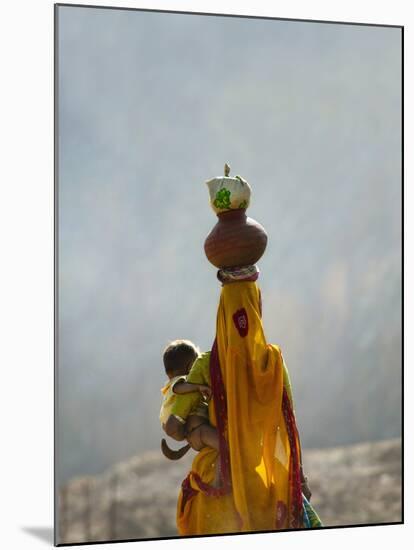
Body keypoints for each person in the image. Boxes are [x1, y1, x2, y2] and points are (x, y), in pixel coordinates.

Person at [165, 271, 322, 535]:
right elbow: (289, 424)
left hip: (215, 479)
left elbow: (175, 425)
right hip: (260, 477)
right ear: (258, 308)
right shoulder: (274, 362)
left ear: (221, 314)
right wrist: (299, 477)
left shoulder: (206, 363)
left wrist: (195, 431)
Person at [160, 340, 219, 456]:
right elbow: (179, 388)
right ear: (191, 365)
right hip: (200, 430)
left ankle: (181, 450)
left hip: (192, 434)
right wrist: (198, 387)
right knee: (227, 449)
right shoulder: (180, 381)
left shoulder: (170, 388)